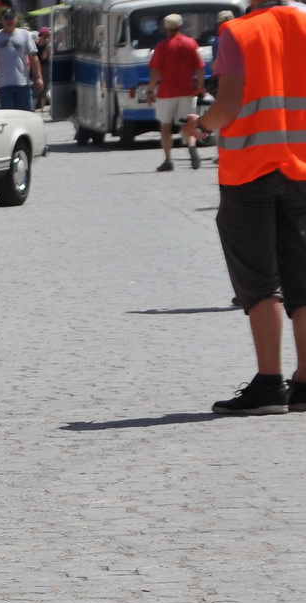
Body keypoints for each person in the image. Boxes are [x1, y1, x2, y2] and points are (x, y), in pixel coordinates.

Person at [182, 0, 306, 415]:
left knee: (259, 279)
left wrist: (199, 126)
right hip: (302, 168)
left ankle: (270, 385)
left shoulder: (239, 32)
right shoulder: (304, 23)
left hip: (251, 170)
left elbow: (230, 103)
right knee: (302, 277)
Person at [147, 13, 204, 171]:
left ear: (166, 28)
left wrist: (150, 90)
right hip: (186, 90)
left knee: (165, 126)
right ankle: (191, 145)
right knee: (188, 124)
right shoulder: (191, 44)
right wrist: (200, 85)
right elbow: (199, 67)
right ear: (181, 26)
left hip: (166, 92)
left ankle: (168, 160)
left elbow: (156, 71)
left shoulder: (162, 47)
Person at [0, 8, 42, 111]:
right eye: (6, 18)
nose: (9, 21)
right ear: (2, 20)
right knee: (9, 118)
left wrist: (39, 77)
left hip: (23, 85)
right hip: (4, 86)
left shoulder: (25, 34)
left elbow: (33, 57)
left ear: (16, 19)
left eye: (11, 18)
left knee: (26, 115)